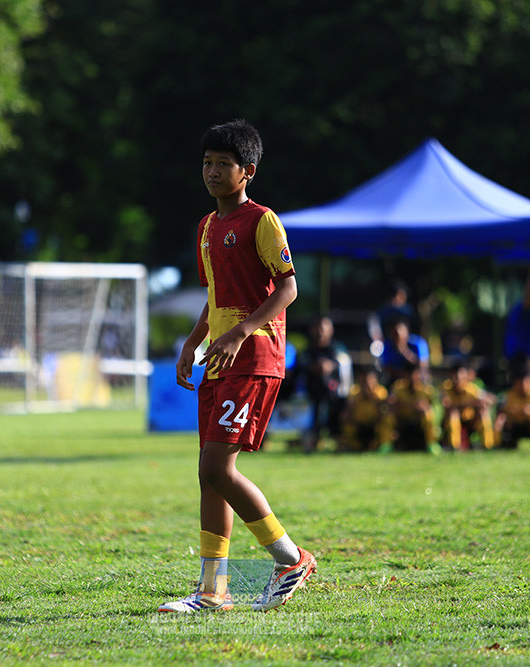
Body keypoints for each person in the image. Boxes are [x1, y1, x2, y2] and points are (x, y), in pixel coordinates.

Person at [159, 119, 315, 614]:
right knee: (210, 474)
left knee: (216, 466)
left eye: (223, 163)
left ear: (246, 171)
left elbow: (288, 289)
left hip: (254, 358)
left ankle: (290, 558)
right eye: (206, 162)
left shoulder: (262, 221)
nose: (211, 170)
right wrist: (192, 341)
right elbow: (216, 297)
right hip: (219, 360)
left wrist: (242, 331)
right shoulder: (207, 227)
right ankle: (212, 591)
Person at [300, 315, 353, 452]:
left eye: (324, 328)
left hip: (336, 396)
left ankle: (339, 441)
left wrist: (330, 366)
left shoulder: (338, 349)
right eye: (317, 328)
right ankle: (313, 441)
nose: (320, 331)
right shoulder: (308, 350)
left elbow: (345, 371)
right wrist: (316, 367)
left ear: (331, 330)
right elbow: (302, 366)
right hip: (311, 395)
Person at [439, 361, 495, 450]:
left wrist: (475, 403)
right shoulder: (446, 387)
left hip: (470, 421)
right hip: (450, 421)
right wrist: (468, 403)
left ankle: (488, 446)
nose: (457, 379)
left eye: (460, 376)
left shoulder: (470, 388)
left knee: (483, 412)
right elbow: (446, 404)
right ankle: (454, 447)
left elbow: (490, 400)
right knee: (453, 413)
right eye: (455, 375)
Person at [338, 367, 392, 452]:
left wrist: (373, 399)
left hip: (375, 424)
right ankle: (354, 447)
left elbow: (384, 411)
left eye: (370, 381)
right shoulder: (354, 392)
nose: (367, 384)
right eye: (363, 381)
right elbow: (345, 414)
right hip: (358, 424)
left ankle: (384, 447)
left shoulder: (380, 392)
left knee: (388, 420)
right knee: (347, 426)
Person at [387, 364, 438, 452]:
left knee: (428, 414)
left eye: (415, 374)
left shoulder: (427, 390)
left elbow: (437, 407)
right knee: (388, 416)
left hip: (420, 422)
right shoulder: (398, 387)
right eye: (410, 375)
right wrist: (410, 406)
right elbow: (391, 403)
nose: (413, 378)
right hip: (403, 420)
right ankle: (386, 445)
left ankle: (431, 444)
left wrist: (425, 407)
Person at [493, 364, 530, 449]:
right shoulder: (509, 395)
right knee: (500, 418)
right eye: (519, 382)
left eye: (525, 382)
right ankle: (496, 445)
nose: (522, 385)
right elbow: (501, 411)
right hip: (514, 425)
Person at [378, 318, 430, 387]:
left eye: (398, 333)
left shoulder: (418, 343)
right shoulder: (387, 345)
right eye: (393, 333)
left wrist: (405, 351)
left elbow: (423, 366)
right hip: (397, 379)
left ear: (407, 331)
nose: (396, 337)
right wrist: (404, 376)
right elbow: (386, 367)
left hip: (417, 378)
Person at [368, 280, 417, 349]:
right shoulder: (383, 311)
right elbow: (374, 327)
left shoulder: (408, 310)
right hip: (385, 342)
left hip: (405, 343)